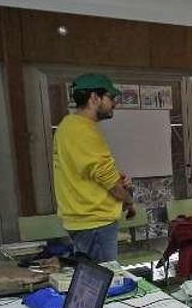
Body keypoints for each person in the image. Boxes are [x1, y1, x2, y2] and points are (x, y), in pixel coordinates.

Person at [53, 73, 135, 262]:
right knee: (106, 281)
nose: (114, 103)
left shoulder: (67, 126)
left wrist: (118, 178)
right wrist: (129, 201)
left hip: (83, 220)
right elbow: (112, 184)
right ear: (94, 98)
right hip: (95, 222)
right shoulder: (84, 131)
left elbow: (87, 171)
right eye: (111, 97)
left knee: (92, 279)